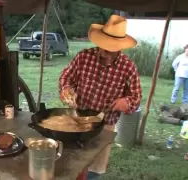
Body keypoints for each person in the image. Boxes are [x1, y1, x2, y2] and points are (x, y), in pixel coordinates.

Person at [58, 15, 142, 180]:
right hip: (77, 121)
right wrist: (66, 89)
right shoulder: (84, 56)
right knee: (71, 163)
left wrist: (127, 102)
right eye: (101, 45)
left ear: (119, 48)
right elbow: (66, 77)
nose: (102, 51)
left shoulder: (128, 67)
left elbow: (136, 97)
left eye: (109, 48)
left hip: (105, 125)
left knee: (95, 169)